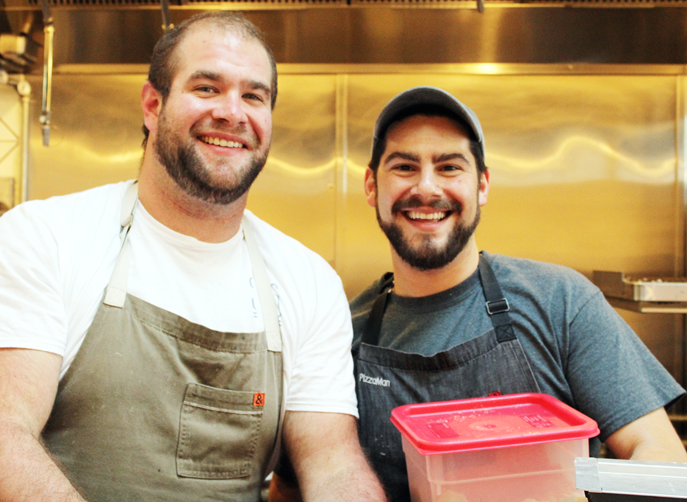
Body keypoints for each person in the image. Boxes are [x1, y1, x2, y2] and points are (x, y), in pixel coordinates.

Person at [0, 12, 386, 502]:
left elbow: (332, 463)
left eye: (254, 96)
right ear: (153, 105)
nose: (232, 113)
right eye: (206, 88)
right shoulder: (44, 238)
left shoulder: (308, 281)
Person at [270, 86, 687, 502]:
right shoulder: (338, 335)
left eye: (450, 167)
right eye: (404, 167)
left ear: (482, 185)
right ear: (370, 187)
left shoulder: (561, 301)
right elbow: (293, 489)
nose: (427, 188)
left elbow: (661, 455)